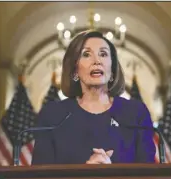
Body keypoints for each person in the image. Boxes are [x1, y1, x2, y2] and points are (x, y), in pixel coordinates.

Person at [31, 30, 156, 165]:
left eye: (103, 54)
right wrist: (86, 175)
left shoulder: (136, 114)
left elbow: (149, 178)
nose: (97, 61)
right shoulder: (52, 116)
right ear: (74, 70)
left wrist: (111, 174)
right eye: (86, 54)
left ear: (112, 69)